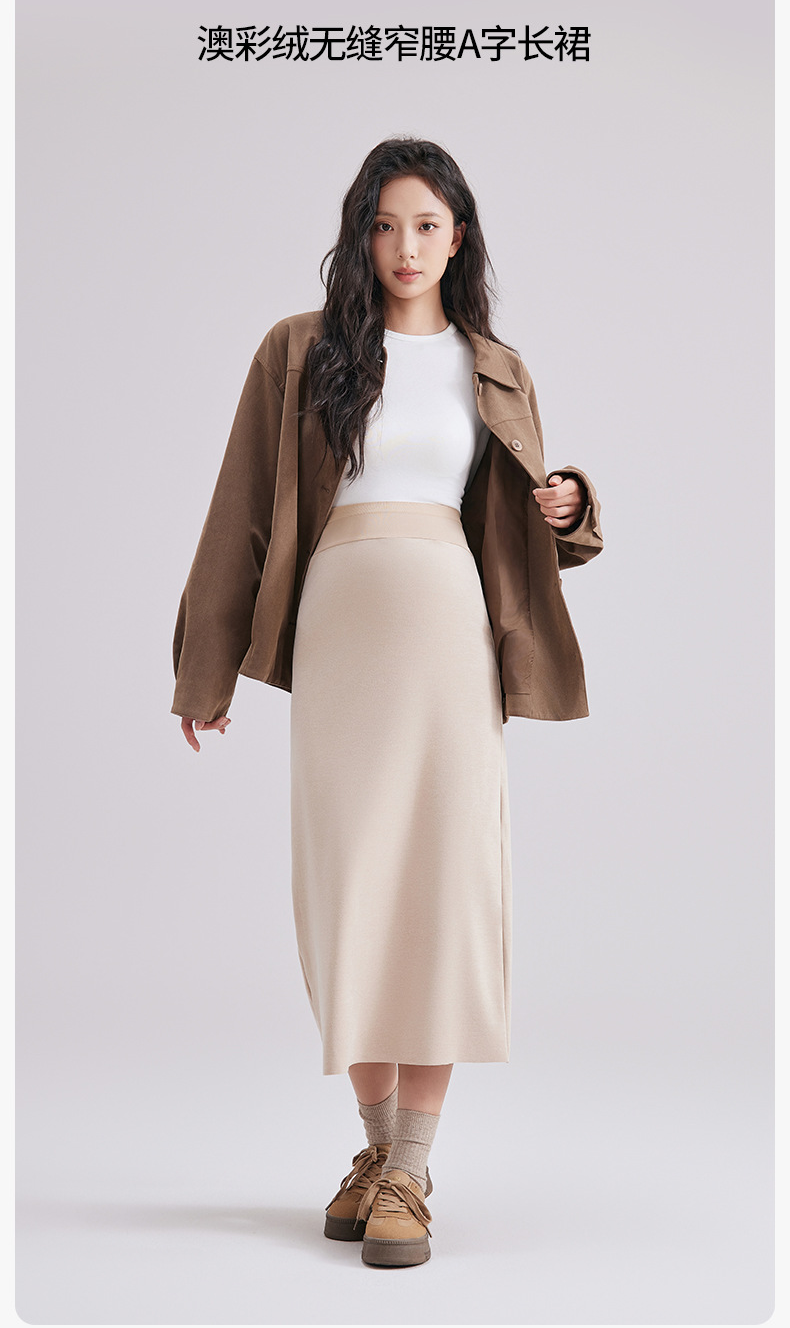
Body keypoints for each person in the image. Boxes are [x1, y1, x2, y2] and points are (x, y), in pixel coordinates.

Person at [171, 136, 603, 1269]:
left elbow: (531, 518)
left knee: (443, 886)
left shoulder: (493, 367)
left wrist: (571, 504)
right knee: (351, 887)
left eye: (425, 224)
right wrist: (204, 669)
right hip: (341, 640)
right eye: (383, 224)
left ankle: (411, 1164)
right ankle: (378, 1152)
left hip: (451, 642)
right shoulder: (300, 350)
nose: (404, 246)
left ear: (458, 238)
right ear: (360, 235)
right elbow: (238, 512)